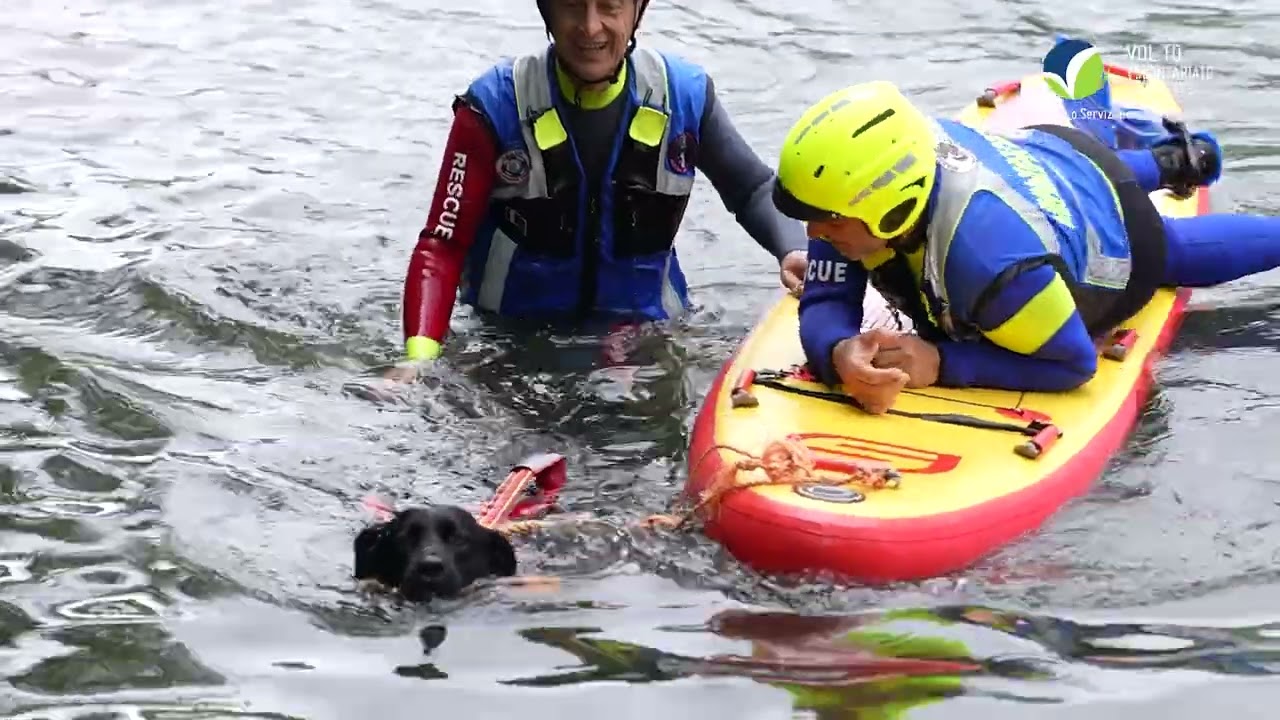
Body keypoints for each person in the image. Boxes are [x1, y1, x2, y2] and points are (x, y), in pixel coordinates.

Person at [770, 78, 1280, 414]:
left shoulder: (992, 264)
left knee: (1166, 250)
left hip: (1116, 229)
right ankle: (1173, 161)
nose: (813, 235)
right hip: (1046, 152)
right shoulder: (858, 197)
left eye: (824, 221)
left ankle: (1172, 169)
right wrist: (839, 353)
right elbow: (826, 301)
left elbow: (1074, 364)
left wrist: (944, 364)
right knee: (1104, 173)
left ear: (890, 206)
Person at [384, 0, 813, 382]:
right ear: (546, 11)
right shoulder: (493, 105)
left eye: (609, 6)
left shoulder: (685, 95)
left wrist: (793, 251)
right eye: (572, 5)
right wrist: (421, 358)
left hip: (647, 337)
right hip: (511, 342)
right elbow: (444, 244)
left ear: (637, 10)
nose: (590, 28)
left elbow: (754, 189)